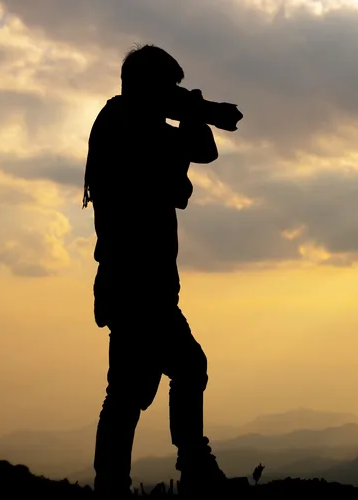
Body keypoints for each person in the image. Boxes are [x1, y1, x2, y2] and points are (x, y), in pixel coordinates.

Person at [81, 44, 241, 496]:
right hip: (138, 284)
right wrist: (193, 109)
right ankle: (190, 466)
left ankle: (118, 482)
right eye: (167, 86)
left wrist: (189, 110)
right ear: (149, 86)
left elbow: (198, 153)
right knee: (179, 372)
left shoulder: (124, 120)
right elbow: (195, 158)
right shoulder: (129, 126)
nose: (173, 93)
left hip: (132, 282)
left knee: (130, 392)